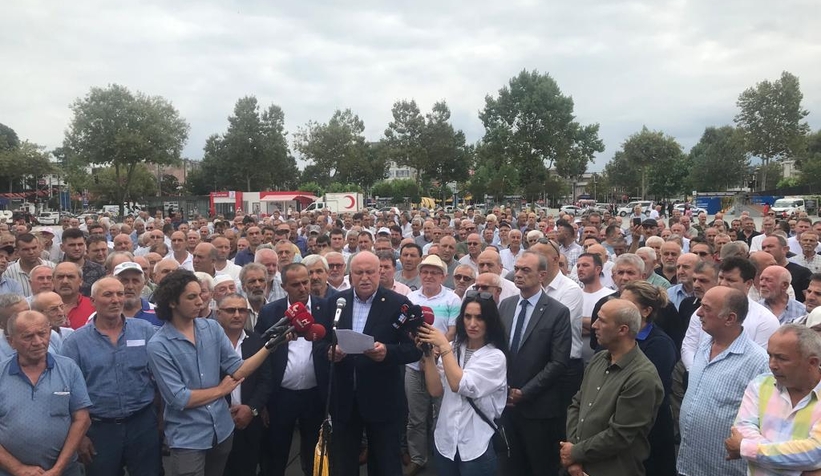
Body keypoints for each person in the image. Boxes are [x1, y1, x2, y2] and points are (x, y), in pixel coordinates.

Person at [146, 269, 279, 476]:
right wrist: (220, 390)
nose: (200, 302)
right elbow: (178, 398)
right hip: (188, 438)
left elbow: (238, 368)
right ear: (172, 302)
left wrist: (270, 346)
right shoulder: (159, 345)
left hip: (221, 430)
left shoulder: (211, 328)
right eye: (191, 297)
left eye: (200, 295)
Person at [316, 251, 422, 476]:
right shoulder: (336, 303)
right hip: (344, 399)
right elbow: (318, 343)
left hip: (382, 399)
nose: (364, 278)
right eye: (359, 272)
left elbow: (414, 349)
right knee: (343, 464)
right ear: (350, 275)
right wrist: (329, 351)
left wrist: (388, 352)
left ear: (379, 272)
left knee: (385, 464)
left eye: (370, 272)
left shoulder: (399, 304)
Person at [61, 277, 160, 476]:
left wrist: (159, 419)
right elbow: (67, 392)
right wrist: (79, 436)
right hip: (99, 430)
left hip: (142, 423)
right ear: (93, 301)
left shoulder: (145, 331)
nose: (115, 300)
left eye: (119, 294)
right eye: (108, 295)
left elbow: (159, 377)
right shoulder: (75, 342)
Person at [562, 299, 663, 476]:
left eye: (602, 320)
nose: (594, 325)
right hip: (580, 465)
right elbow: (576, 405)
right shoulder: (598, 360)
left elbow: (620, 435)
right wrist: (574, 455)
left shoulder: (641, 376)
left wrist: (575, 453)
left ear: (622, 330)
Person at [677, 286, 770, 476]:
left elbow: (766, 423)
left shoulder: (758, 362)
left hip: (725, 469)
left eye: (706, 308)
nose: (698, 313)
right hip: (688, 464)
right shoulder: (705, 345)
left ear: (730, 319)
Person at [417, 292, 509, 475]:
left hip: (476, 445)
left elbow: (459, 384)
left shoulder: (495, 357)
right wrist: (427, 353)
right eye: (467, 316)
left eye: (479, 318)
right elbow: (435, 390)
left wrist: (443, 345)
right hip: (445, 441)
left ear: (490, 321)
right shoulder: (454, 348)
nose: (472, 324)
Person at [498, 251, 571, 476]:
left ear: (542, 275)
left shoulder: (558, 312)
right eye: (516, 269)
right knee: (511, 467)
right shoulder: (506, 305)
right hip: (505, 405)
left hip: (538, 408)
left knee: (541, 467)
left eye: (525, 270)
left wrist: (524, 392)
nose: (518, 274)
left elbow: (558, 362)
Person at [254, 263, 330, 476]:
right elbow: (260, 356)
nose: (303, 288)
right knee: (274, 455)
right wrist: (262, 402)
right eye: (296, 284)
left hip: (315, 395)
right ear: (284, 286)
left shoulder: (326, 308)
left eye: (306, 282)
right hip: (280, 396)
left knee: (314, 454)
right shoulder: (271, 312)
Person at [0, 311, 92, 476]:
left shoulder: (68, 369)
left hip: (66, 471)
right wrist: (17, 468)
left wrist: (58, 469)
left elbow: (82, 419)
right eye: (28, 337)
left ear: (50, 332)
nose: (38, 342)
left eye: (42, 334)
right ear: (11, 341)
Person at [726, 324, 821, 474]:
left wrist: (745, 449)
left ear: (812, 362)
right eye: (770, 355)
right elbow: (742, 429)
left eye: (781, 358)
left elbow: (815, 452)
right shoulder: (760, 384)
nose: (772, 365)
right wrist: (797, 468)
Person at [404, 255, 461, 475]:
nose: (429, 276)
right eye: (425, 272)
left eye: (434, 273)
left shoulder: (452, 299)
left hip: (442, 366)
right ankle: (418, 458)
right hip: (414, 364)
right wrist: (420, 351)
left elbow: (453, 331)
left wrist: (434, 351)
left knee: (442, 415)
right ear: (420, 274)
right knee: (415, 417)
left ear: (443, 276)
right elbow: (405, 329)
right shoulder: (410, 298)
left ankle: (441, 456)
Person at [619, 281, 677, 476]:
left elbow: (644, 391)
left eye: (627, 305)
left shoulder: (660, 345)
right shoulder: (616, 337)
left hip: (649, 432)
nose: (620, 308)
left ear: (646, 311)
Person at [216, 293, 274, 476]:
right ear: (218, 313)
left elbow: (266, 380)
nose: (237, 315)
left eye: (242, 310)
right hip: (216, 422)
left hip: (248, 422)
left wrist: (252, 409)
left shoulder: (258, 341)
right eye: (230, 310)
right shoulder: (207, 343)